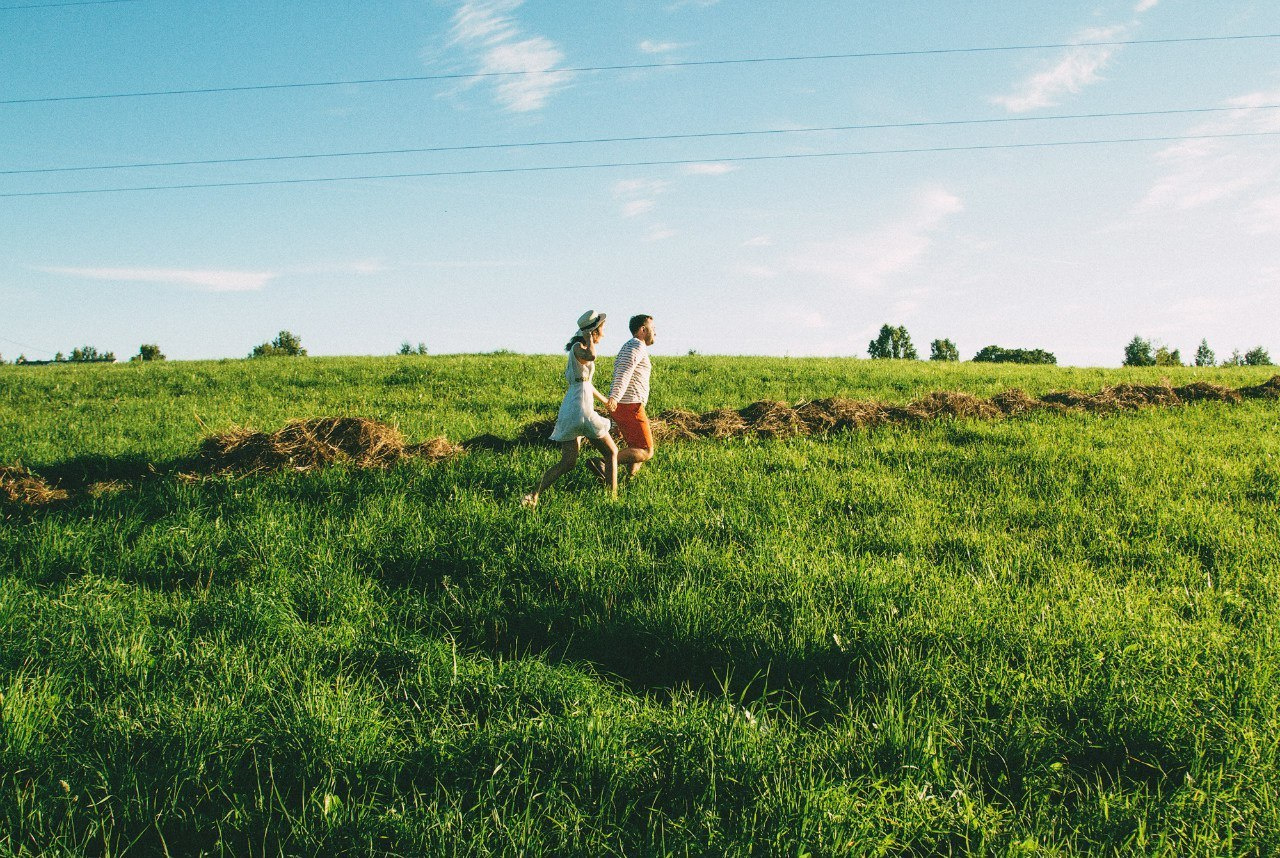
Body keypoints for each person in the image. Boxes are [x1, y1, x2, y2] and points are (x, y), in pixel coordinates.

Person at [521, 311, 618, 506]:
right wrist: (589, 338)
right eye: (602, 330)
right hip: (581, 408)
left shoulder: (576, 349)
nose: (604, 334)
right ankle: (612, 499)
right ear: (594, 331)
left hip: (572, 406)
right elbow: (592, 355)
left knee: (568, 462)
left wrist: (605, 400)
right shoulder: (579, 347)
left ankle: (533, 494)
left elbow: (586, 383)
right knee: (611, 453)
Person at [590, 313, 655, 481]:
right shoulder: (636, 346)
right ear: (642, 329)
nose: (655, 332)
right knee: (647, 451)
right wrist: (614, 397)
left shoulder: (631, 346)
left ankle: (630, 479)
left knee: (635, 447)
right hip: (629, 405)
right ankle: (603, 462)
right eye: (652, 329)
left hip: (627, 404)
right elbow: (624, 372)